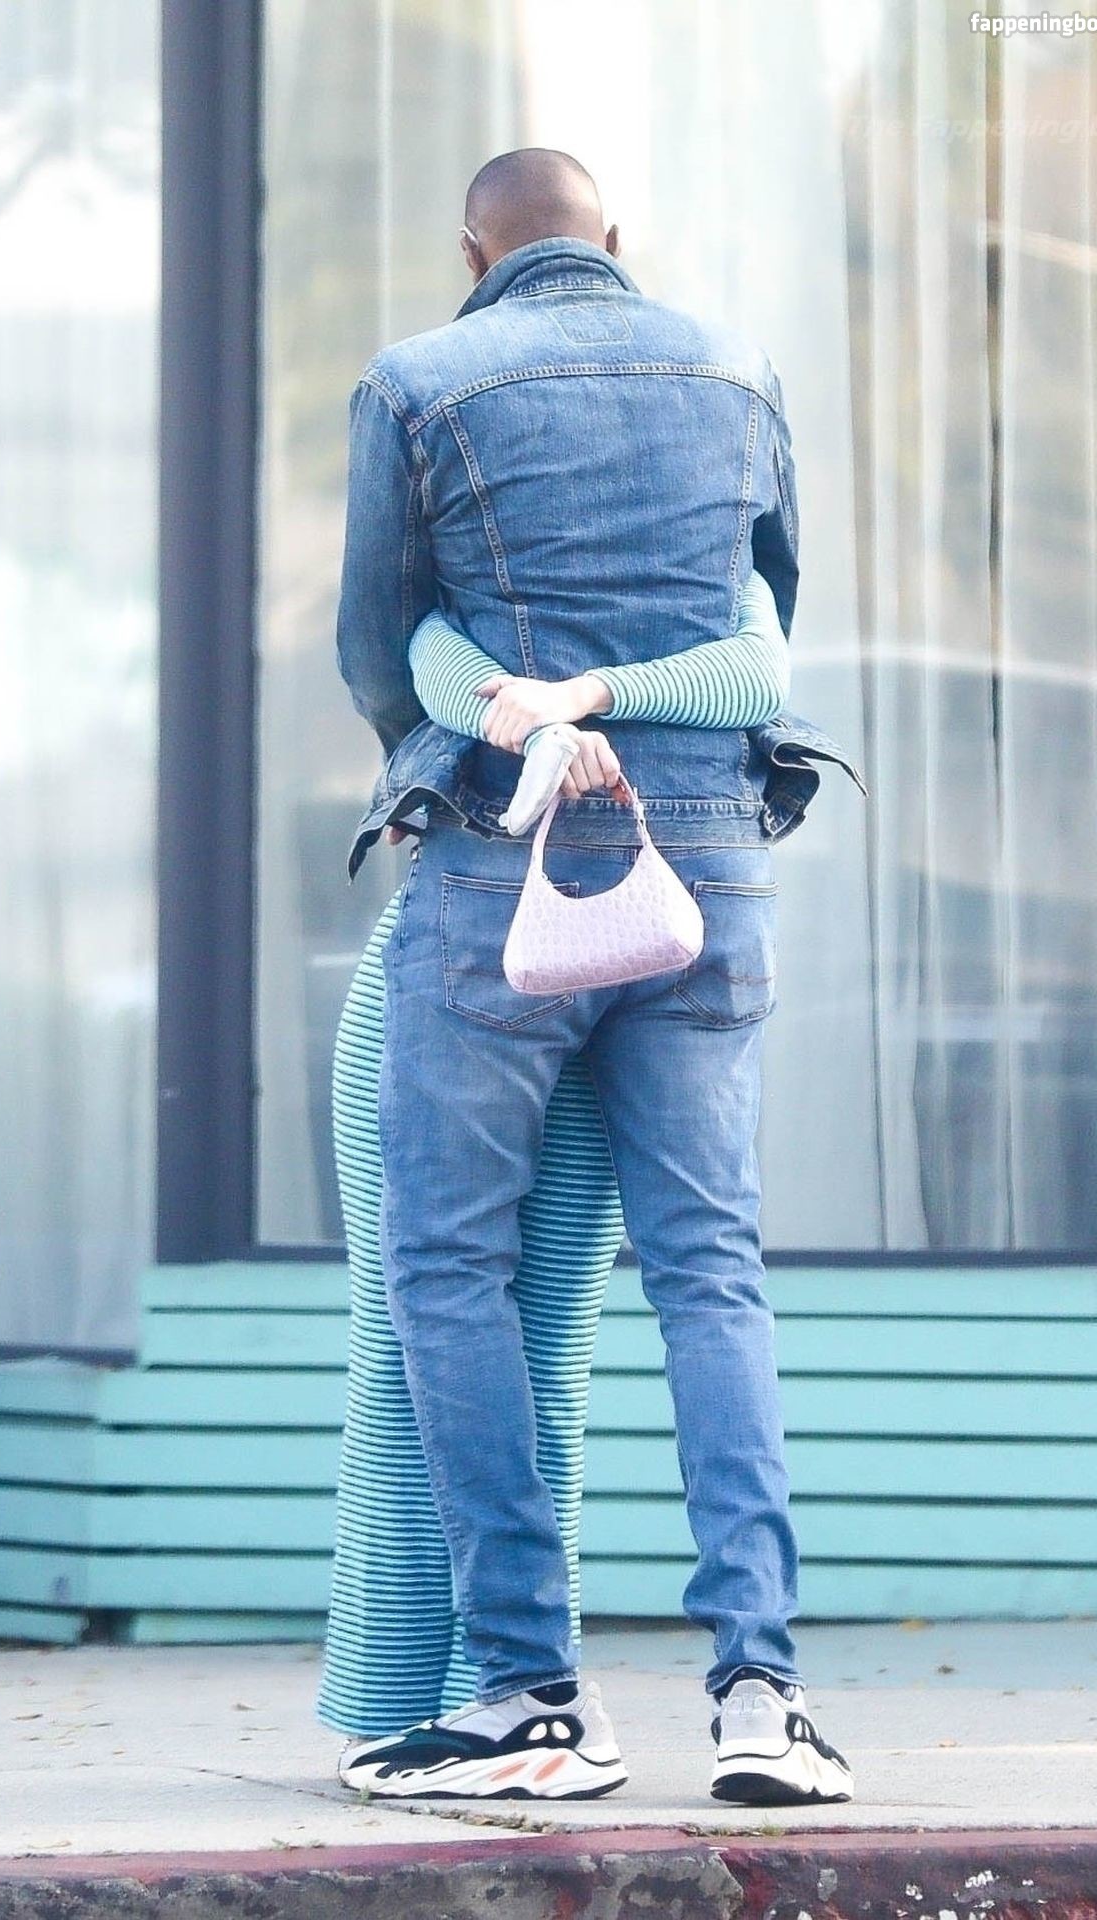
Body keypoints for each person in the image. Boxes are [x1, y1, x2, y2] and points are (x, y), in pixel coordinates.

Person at [333, 147, 855, 1807]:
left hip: (506, 858)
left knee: (451, 1264)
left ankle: (530, 1698)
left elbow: (379, 639)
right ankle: (762, 1699)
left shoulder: (415, 383)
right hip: (711, 865)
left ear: (467, 252)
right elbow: (766, 618)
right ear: (616, 238)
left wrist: (495, 722)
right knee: (709, 1270)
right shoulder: (737, 368)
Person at [319, 575, 789, 1741]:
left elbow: (395, 649)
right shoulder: (704, 527)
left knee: (427, 1321)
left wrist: (542, 713)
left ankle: (502, 1700)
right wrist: (575, 708)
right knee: (641, 1303)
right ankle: (751, 1688)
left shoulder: (475, 536)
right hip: (672, 893)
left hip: (486, 912)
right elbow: (757, 660)